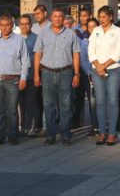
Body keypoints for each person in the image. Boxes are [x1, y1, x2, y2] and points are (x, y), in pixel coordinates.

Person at [34, 9, 80, 146]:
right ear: (51, 18)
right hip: (47, 72)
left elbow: (76, 54)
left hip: (65, 72)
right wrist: (36, 74)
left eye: (60, 16)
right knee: (49, 105)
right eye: (55, 16)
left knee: (65, 105)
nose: (58, 19)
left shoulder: (71, 33)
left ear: (63, 18)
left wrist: (77, 74)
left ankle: (66, 135)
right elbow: (38, 54)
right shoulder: (43, 33)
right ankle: (50, 135)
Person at [0, 15, 29, 146]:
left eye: (7, 25)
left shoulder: (19, 40)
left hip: (12, 80)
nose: (4, 27)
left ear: (12, 25)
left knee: (12, 110)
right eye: (2, 25)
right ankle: (0, 135)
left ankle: (13, 135)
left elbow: (25, 61)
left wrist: (23, 78)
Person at [88, 6, 120, 146]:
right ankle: (102, 132)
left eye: (104, 16)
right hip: (97, 71)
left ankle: (112, 133)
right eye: (100, 16)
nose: (102, 19)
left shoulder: (118, 31)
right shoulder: (96, 31)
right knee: (100, 101)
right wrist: (98, 66)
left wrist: (104, 66)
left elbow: (118, 53)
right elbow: (91, 51)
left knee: (113, 100)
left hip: (113, 69)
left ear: (111, 17)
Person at [18, 14, 40, 137]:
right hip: (18, 76)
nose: (24, 26)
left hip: (31, 75)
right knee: (20, 102)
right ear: (19, 25)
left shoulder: (37, 38)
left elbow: (39, 56)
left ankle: (32, 126)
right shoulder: (15, 38)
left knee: (31, 101)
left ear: (31, 25)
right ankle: (22, 126)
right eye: (22, 24)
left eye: (27, 23)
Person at [80, 18, 99, 136]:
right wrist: (89, 73)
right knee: (93, 101)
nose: (92, 29)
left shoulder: (102, 40)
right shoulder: (85, 42)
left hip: (102, 73)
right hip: (90, 75)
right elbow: (83, 60)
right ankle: (95, 126)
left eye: (94, 26)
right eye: (89, 27)